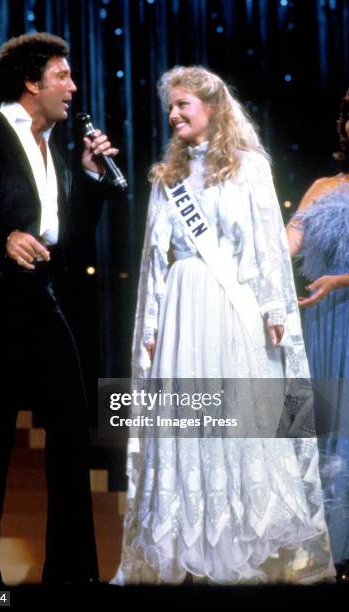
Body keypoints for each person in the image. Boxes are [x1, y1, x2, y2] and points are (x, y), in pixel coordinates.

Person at [113, 66, 334, 585]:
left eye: (183, 105)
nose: (174, 115)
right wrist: (149, 323)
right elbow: (154, 262)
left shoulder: (250, 167)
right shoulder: (166, 178)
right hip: (182, 312)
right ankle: (185, 543)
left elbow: (267, 246)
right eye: (171, 107)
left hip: (233, 310)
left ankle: (238, 541)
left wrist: (276, 309)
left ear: (211, 108)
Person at [0, 32, 119, 587]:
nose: (72, 87)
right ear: (30, 83)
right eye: (62, 76)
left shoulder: (55, 148)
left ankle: (68, 574)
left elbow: (70, 236)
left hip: (43, 299)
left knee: (71, 428)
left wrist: (90, 176)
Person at [286, 90, 349, 582]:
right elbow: (288, 241)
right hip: (321, 327)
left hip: (342, 310)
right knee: (313, 432)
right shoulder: (323, 186)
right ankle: (321, 549)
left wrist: (344, 280)